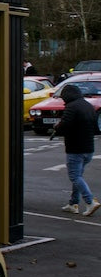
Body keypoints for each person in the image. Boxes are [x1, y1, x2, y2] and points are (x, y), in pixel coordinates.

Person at [50, 83, 100, 216]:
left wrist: (56, 127)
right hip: (88, 148)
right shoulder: (88, 106)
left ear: (67, 96)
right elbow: (96, 128)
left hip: (75, 148)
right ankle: (73, 203)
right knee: (78, 176)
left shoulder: (71, 107)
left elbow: (64, 126)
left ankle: (90, 202)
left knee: (75, 176)